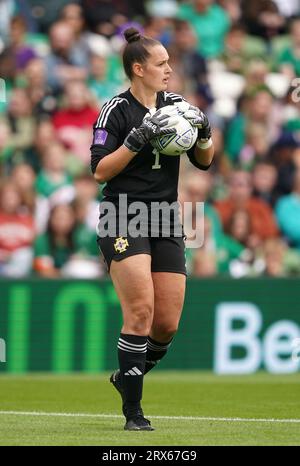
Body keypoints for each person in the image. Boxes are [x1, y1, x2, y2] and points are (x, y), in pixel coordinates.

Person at [90, 27, 214, 431]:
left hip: (165, 217)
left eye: (168, 62)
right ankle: (134, 414)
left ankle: (127, 375)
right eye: (161, 64)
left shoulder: (176, 105)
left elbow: (205, 161)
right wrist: (136, 140)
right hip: (122, 213)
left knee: (167, 324)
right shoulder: (115, 110)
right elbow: (99, 171)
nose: (169, 69)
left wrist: (206, 131)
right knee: (140, 312)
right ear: (138, 69)